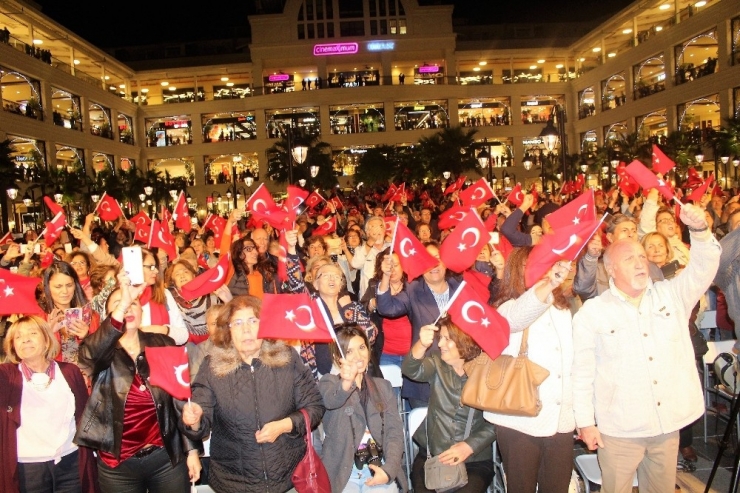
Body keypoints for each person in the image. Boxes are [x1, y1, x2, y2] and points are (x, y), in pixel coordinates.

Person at [572, 203, 720, 492]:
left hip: (666, 425)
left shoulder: (672, 295)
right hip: (619, 429)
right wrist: (585, 422)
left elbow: (704, 267)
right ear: (611, 269)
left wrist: (700, 231)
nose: (640, 263)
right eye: (629, 259)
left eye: (642, 256)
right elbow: (582, 373)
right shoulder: (594, 312)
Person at [181, 295, 325, 493]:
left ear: (265, 325)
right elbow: (201, 423)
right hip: (233, 482)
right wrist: (195, 420)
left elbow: (315, 407)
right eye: (237, 322)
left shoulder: (287, 358)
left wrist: (284, 426)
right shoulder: (212, 366)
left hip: (287, 478)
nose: (246, 330)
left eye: (253, 321)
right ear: (228, 330)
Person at [74, 273, 201, 493]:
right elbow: (87, 356)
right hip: (117, 465)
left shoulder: (162, 343)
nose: (128, 308)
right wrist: (122, 304)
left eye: (134, 303)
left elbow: (180, 400)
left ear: (142, 311)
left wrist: (191, 451)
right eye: (121, 304)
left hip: (165, 459)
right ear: (109, 315)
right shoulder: (101, 350)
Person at [484, 248, 576, 493]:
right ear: (516, 271)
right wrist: (549, 283)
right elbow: (518, 318)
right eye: (531, 265)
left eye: (543, 263)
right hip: (519, 419)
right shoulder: (506, 307)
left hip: (560, 419)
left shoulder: (563, 309)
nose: (541, 270)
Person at [0, 316, 99, 493]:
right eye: (18, 337)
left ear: (47, 340)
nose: (26, 339)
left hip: (70, 463)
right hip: (28, 469)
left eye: (32, 333)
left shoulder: (70, 372)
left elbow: (85, 417)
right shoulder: (7, 376)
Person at [402, 318, 496, 493]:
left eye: (447, 339)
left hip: (474, 460)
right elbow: (411, 369)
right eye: (441, 338)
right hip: (432, 457)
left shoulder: (487, 371)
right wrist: (421, 345)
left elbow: (498, 422)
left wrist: (469, 446)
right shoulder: (437, 363)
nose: (440, 344)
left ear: (464, 340)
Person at [320, 325, 407, 493]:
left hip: (378, 468)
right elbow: (331, 401)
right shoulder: (328, 383)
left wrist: (388, 471)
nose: (358, 356)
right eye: (349, 351)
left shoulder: (383, 387)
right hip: (343, 473)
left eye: (361, 347)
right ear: (338, 357)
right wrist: (347, 382)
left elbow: (394, 432)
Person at [40, 261, 100, 366]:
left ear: (75, 285)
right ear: (47, 287)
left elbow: (103, 353)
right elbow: (32, 358)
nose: (65, 291)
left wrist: (87, 336)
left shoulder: (91, 316)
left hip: (86, 377)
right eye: (58, 287)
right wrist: (47, 335)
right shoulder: (39, 319)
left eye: (69, 285)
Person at [165, 259, 232, 344]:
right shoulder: (171, 302)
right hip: (188, 348)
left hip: (216, 343)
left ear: (194, 275)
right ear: (174, 282)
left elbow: (227, 322)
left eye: (185, 272)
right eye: (177, 274)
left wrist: (229, 301)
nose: (182, 275)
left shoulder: (212, 294)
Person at [137, 248, 189, 345]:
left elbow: (183, 335)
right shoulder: (121, 297)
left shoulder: (164, 294)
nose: (156, 271)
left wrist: (163, 330)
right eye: (151, 267)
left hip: (163, 356)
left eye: (156, 266)